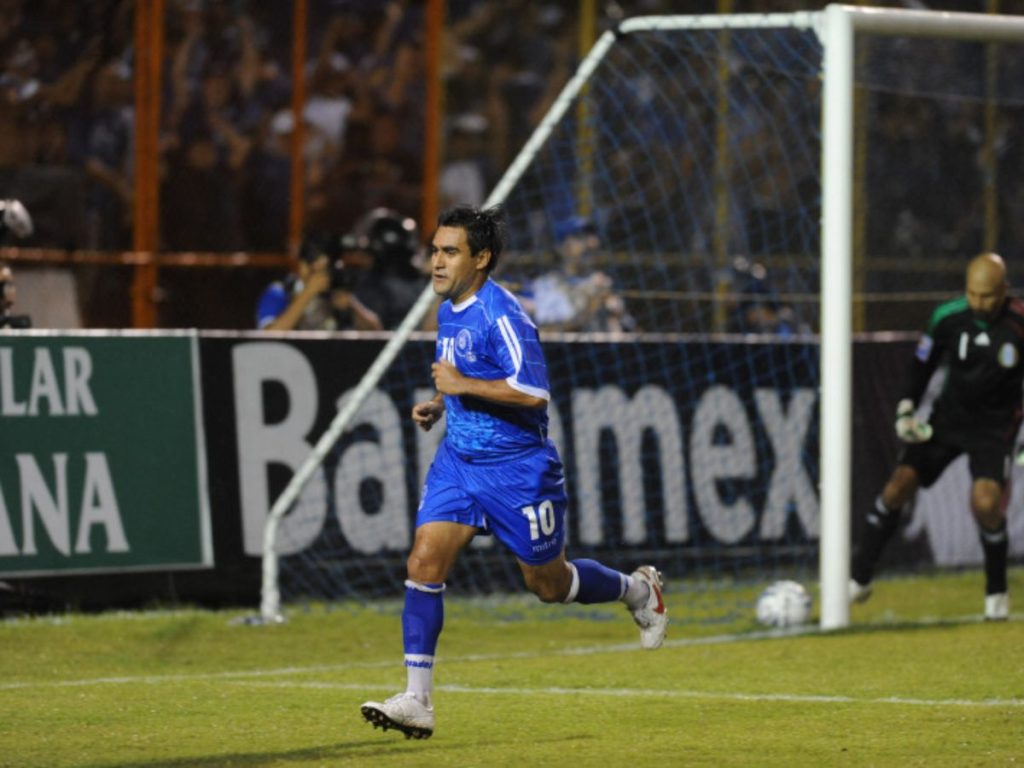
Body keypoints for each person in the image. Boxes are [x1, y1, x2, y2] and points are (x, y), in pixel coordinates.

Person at [359, 205, 667, 741]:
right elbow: (467, 374)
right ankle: (417, 700)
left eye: (449, 252)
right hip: (460, 461)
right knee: (424, 561)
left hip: (518, 470)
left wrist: (459, 387)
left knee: (549, 585)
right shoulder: (450, 307)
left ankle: (637, 592)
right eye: (435, 249)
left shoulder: (504, 314)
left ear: (482, 258)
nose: (436, 261)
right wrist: (440, 401)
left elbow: (532, 391)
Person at [850, 252, 1022, 621]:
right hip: (947, 421)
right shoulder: (947, 318)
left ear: (1005, 290)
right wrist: (906, 409)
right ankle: (858, 576)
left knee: (986, 504)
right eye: (973, 294)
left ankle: (996, 594)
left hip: (995, 427)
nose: (979, 302)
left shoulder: (1020, 323)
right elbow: (920, 366)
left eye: (988, 295)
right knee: (898, 486)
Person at [525, 216, 633, 333]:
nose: (592, 243)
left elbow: (629, 329)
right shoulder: (546, 284)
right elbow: (547, 329)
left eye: (593, 236)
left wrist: (617, 314)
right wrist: (590, 306)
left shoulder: (602, 281)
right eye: (580, 237)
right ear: (561, 247)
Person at [255, 235, 382, 331]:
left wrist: (351, 307)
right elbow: (269, 336)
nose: (320, 277)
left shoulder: (334, 292)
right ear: (303, 266)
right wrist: (308, 293)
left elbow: (376, 332)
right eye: (315, 271)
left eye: (325, 271)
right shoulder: (281, 292)